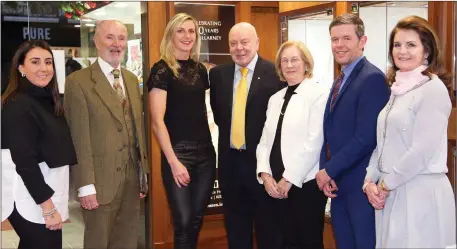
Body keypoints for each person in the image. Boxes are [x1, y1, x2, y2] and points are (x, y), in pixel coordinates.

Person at [364, 15, 456, 248]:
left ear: (427, 51)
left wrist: (384, 186)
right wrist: (369, 181)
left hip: (420, 194)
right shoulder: (396, 89)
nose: (402, 51)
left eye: (411, 45)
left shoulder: (432, 89)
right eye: (397, 45)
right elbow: (382, 142)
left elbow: (421, 151)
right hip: (391, 192)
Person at [64, 20, 149, 249]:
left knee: (127, 242)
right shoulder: (78, 82)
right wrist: (85, 185)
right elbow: (78, 139)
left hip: (132, 182)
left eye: (121, 38)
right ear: (96, 40)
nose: (117, 44)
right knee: (98, 243)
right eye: (110, 37)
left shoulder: (131, 80)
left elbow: (137, 131)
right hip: (99, 184)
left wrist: (143, 175)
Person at [315, 14, 390, 249]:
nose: (339, 45)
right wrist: (326, 170)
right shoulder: (341, 78)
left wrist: (329, 170)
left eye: (346, 38)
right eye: (334, 39)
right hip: (339, 186)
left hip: (361, 186)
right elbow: (330, 132)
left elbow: (366, 137)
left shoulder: (373, 78)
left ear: (362, 40)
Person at [209, 22, 285, 249]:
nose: (239, 48)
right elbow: (219, 116)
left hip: (263, 168)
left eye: (245, 42)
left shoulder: (275, 73)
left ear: (257, 43)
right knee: (236, 230)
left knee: (268, 231)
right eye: (234, 43)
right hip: (230, 166)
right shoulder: (218, 75)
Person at [148, 13, 216, 249]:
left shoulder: (200, 70)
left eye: (191, 31)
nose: (187, 36)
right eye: (181, 31)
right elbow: (157, 122)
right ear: (171, 35)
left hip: (206, 154)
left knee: (197, 219)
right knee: (184, 220)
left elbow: (204, 110)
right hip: (178, 153)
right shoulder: (161, 70)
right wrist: (174, 162)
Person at [1, 40, 77, 249]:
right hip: (30, 198)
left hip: (44, 195)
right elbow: (24, 161)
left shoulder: (49, 101)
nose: (44, 68)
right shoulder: (17, 104)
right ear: (21, 68)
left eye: (48, 62)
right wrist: (48, 207)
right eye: (35, 62)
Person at [256, 40, 329, 249]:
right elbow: (264, 142)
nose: (289, 65)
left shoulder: (318, 94)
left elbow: (315, 142)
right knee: (286, 242)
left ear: (306, 63)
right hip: (276, 186)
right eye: (284, 61)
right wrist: (265, 175)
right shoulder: (275, 99)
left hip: (305, 185)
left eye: (294, 59)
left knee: (308, 241)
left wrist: (288, 179)